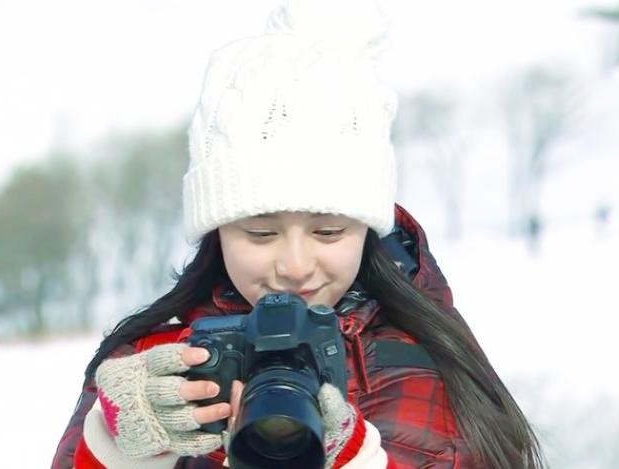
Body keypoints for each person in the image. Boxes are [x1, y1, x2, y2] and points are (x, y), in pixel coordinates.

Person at [53, 0, 544, 467]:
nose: (294, 265)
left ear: (367, 230)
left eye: (328, 232)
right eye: (261, 233)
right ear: (216, 232)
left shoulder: (433, 366)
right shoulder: (154, 368)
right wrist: (116, 449)